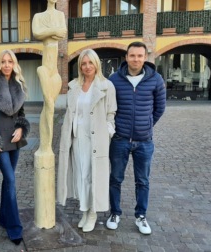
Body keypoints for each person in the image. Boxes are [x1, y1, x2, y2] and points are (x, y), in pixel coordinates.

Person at [106, 42, 166, 235]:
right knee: (115, 178)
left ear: (145, 58)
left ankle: (141, 216)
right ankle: (115, 213)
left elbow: (159, 108)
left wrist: (146, 126)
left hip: (144, 142)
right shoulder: (114, 79)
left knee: (143, 181)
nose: (136, 59)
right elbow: (108, 107)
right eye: (132, 55)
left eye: (140, 56)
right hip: (120, 139)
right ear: (126, 57)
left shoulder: (155, 79)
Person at [57, 49, 117, 233]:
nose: (87, 66)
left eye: (90, 62)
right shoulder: (74, 86)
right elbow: (71, 111)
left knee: (93, 175)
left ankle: (93, 213)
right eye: (84, 63)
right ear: (80, 67)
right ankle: (84, 210)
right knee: (80, 175)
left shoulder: (107, 86)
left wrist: (107, 132)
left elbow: (111, 114)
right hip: (77, 138)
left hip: (96, 138)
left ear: (96, 64)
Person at [0, 50, 30, 245]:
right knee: (10, 180)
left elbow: (22, 113)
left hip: (14, 139)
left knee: (7, 181)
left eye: (10, 61)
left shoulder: (19, 85)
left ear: (14, 64)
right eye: (3, 61)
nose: (7, 65)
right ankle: (14, 227)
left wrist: (20, 128)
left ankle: (3, 218)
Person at [32, 0, 67, 154]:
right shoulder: (38, 16)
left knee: (48, 108)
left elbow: (63, 33)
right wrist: (54, 31)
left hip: (55, 73)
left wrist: (48, 31)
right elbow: (37, 33)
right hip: (45, 68)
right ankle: (46, 147)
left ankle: (46, 146)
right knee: (50, 107)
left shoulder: (60, 14)